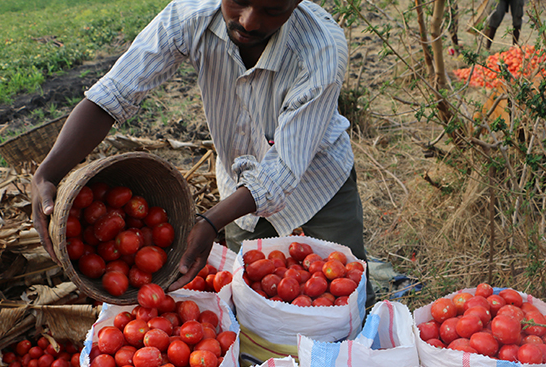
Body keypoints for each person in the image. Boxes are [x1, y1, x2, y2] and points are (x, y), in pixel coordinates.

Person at [31, 0, 375, 307]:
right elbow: (114, 94)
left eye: (273, 10)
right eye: (239, 1)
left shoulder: (321, 49)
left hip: (319, 180)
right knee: (252, 295)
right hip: (239, 186)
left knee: (348, 291)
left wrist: (211, 222)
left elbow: (284, 167)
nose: (249, 21)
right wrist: (48, 172)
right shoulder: (189, 16)